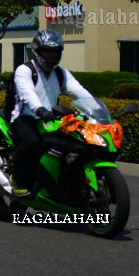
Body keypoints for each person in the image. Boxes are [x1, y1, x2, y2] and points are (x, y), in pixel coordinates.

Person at [9, 30, 93, 196]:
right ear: (37, 51)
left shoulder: (60, 73)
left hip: (51, 120)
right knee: (31, 142)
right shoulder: (25, 70)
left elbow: (79, 91)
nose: (50, 56)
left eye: (54, 52)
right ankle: (17, 179)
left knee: (77, 143)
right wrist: (40, 109)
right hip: (25, 118)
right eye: (46, 51)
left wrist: (94, 107)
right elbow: (28, 94)